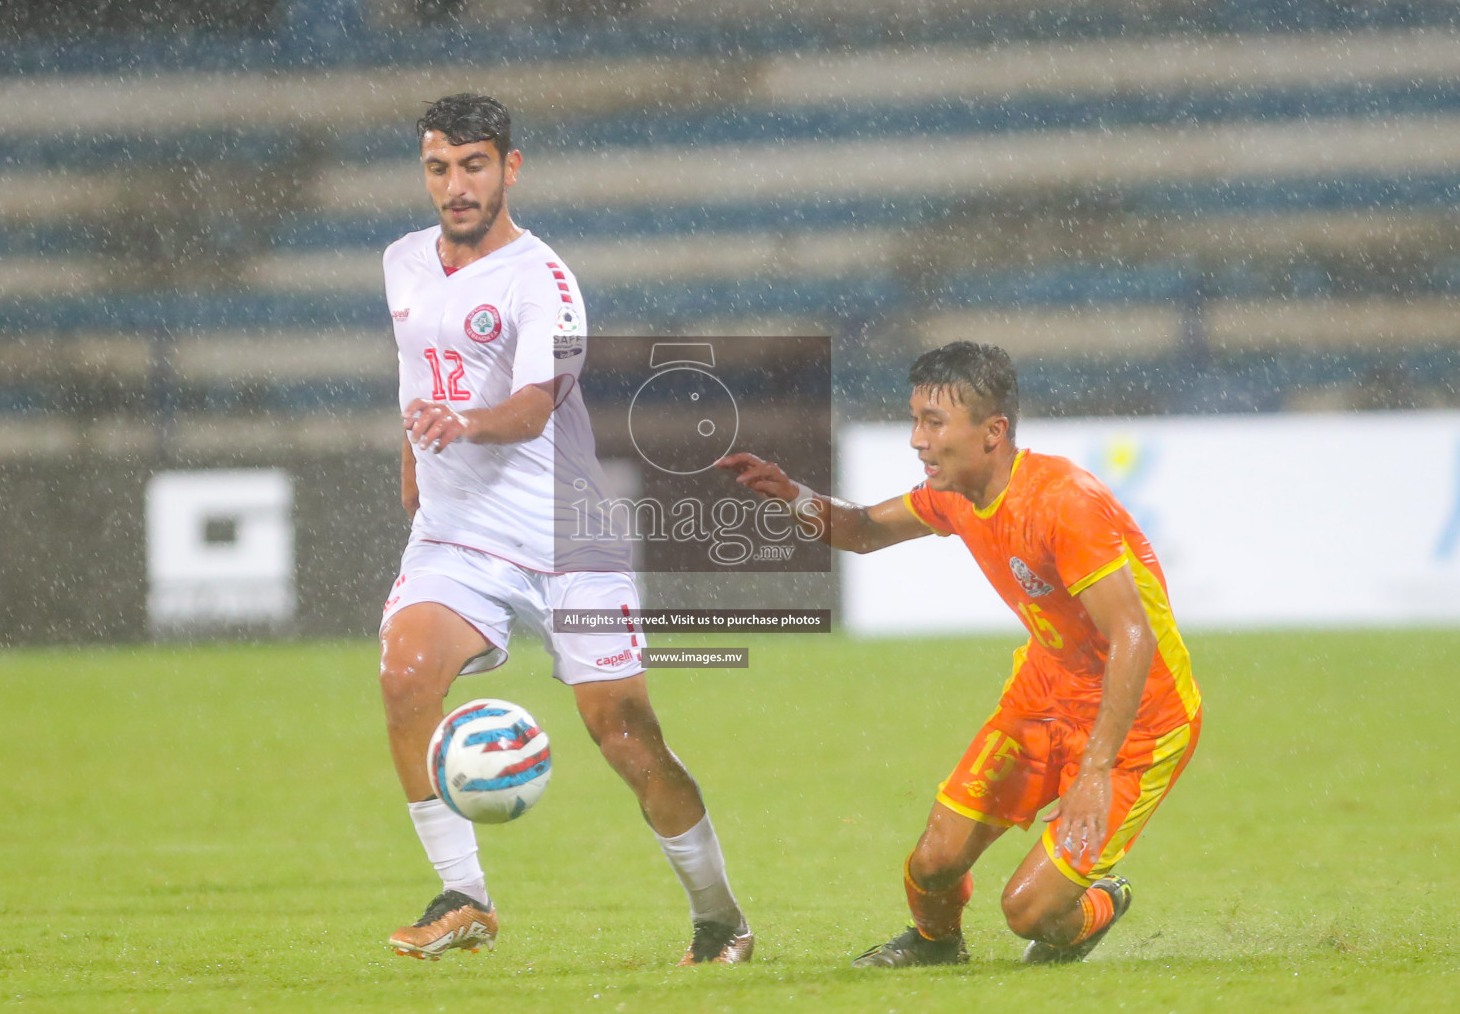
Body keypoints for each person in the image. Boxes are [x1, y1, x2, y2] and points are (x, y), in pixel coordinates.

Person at [378, 94, 752, 966]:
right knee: (403, 675)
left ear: (510, 168)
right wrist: (414, 452)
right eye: (439, 168)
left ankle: (719, 916)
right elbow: (412, 372)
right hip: (458, 533)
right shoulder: (401, 263)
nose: (456, 185)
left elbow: (532, 405)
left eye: (474, 165)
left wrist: (460, 425)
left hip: (566, 539)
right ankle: (464, 897)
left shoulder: (545, 280)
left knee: (627, 740)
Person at [716, 341, 1200, 966]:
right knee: (932, 864)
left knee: (1034, 915)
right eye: (914, 419)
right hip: (1045, 699)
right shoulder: (954, 494)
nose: (917, 439)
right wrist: (790, 495)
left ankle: (1100, 903)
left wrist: (1094, 770)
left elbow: (1134, 635)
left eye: (934, 422)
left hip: (1139, 726)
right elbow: (862, 530)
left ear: (993, 431)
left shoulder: (1063, 501)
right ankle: (937, 945)